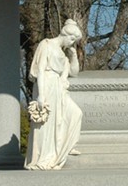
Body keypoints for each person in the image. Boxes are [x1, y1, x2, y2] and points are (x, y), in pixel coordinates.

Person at [25, 19, 84, 170]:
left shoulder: (63, 55)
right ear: (67, 35)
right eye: (72, 40)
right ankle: (44, 158)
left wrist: (73, 56)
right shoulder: (47, 45)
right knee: (47, 124)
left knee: (76, 113)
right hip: (47, 85)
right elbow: (41, 70)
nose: (72, 44)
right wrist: (41, 95)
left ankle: (66, 146)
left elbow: (74, 73)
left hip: (58, 87)